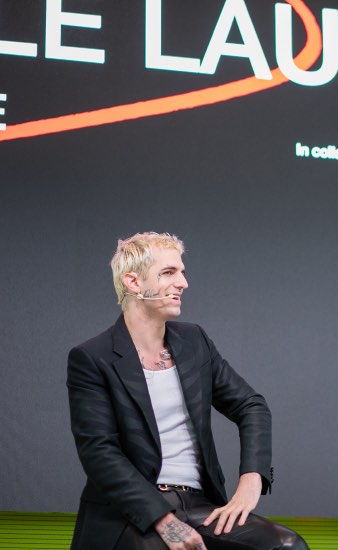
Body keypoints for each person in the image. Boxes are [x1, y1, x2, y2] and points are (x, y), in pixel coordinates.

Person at [67, 232, 309, 550]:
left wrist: (253, 478)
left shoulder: (195, 341)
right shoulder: (92, 357)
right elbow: (99, 451)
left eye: (182, 272)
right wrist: (164, 520)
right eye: (168, 272)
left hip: (200, 504)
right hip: (129, 511)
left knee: (287, 545)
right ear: (133, 282)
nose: (183, 283)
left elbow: (251, 405)